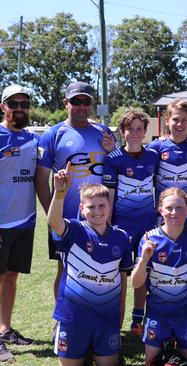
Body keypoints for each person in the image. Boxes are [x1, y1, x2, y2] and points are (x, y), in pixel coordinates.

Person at [36, 81, 117, 302]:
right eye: (76, 101)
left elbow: (119, 167)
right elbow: (41, 180)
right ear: (66, 103)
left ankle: (92, 317)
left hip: (100, 216)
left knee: (99, 267)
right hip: (67, 217)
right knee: (64, 270)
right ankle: (62, 320)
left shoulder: (104, 133)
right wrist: (53, 214)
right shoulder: (52, 135)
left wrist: (112, 151)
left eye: (86, 101)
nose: (81, 106)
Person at [47, 170, 132, 366]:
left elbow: (122, 278)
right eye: (91, 206)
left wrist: (121, 309)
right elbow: (53, 222)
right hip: (73, 318)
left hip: (107, 318)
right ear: (81, 208)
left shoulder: (121, 237)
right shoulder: (75, 230)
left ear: (109, 206)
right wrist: (59, 194)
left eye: (102, 205)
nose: (97, 211)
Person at [131, 188, 187, 366]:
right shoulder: (149, 239)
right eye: (169, 208)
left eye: (180, 208)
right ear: (160, 209)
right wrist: (144, 259)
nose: (174, 213)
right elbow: (137, 283)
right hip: (157, 314)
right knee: (152, 363)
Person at [102, 108, 159, 336]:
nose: (134, 133)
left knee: (142, 272)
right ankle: (114, 321)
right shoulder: (113, 159)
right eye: (129, 129)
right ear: (122, 131)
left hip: (146, 226)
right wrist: (106, 226)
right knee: (117, 275)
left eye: (139, 129)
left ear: (145, 131)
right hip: (121, 226)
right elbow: (109, 195)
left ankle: (137, 320)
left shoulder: (153, 157)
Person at [0, 85, 39, 361]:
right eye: (13, 103)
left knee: (10, 278)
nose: (19, 108)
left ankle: (5, 330)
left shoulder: (32, 139)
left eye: (23, 103)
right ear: (2, 107)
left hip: (25, 222)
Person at [147, 99, 187, 227]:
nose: (180, 124)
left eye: (184, 120)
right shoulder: (156, 147)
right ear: (167, 121)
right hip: (163, 217)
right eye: (175, 119)